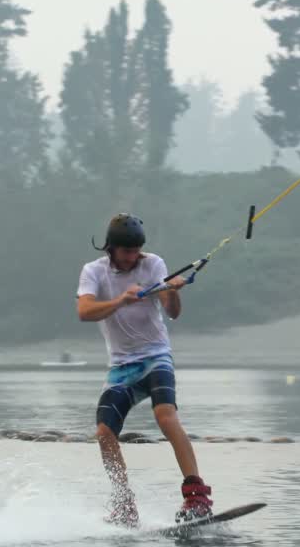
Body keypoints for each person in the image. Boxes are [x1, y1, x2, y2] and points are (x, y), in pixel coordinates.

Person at [76, 213, 214, 527]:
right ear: (111, 248)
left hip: (156, 357)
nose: (133, 257)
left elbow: (172, 312)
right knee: (104, 432)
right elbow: (84, 311)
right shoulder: (93, 271)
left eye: (137, 250)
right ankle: (124, 503)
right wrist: (121, 300)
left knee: (165, 415)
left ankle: (196, 495)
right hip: (121, 367)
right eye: (127, 251)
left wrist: (172, 291)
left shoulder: (153, 264)